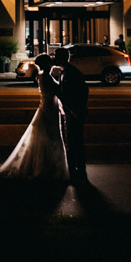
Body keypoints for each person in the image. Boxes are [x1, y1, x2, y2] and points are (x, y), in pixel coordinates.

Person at [0, 54, 68, 182]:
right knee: (50, 138)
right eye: (50, 62)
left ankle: (46, 167)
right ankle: (48, 169)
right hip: (49, 110)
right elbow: (58, 92)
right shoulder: (47, 77)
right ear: (48, 65)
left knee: (46, 138)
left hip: (48, 109)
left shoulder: (42, 76)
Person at [53, 47, 89, 184]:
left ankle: (80, 171)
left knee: (76, 142)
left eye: (56, 56)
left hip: (75, 112)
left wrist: (77, 109)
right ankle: (75, 170)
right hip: (69, 111)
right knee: (72, 142)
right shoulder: (64, 72)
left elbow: (82, 91)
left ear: (62, 58)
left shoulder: (72, 73)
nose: (54, 59)